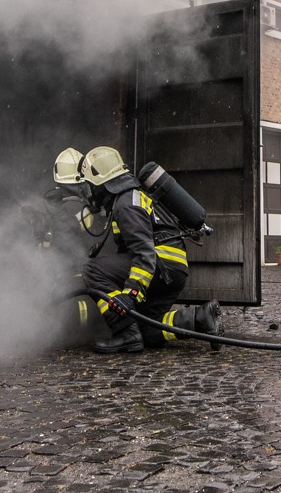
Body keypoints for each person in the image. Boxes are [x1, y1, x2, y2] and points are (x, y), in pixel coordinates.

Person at [58, 145, 218, 354]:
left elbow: (144, 254)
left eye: (89, 186)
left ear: (101, 184)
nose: (89, 193)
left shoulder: (126, 204)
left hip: (162, 265)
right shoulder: (128, 198)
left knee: (92, 269)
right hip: (172, 270)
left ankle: (125, 335)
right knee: (144, 328)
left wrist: (131, 293)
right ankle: (200, 318)